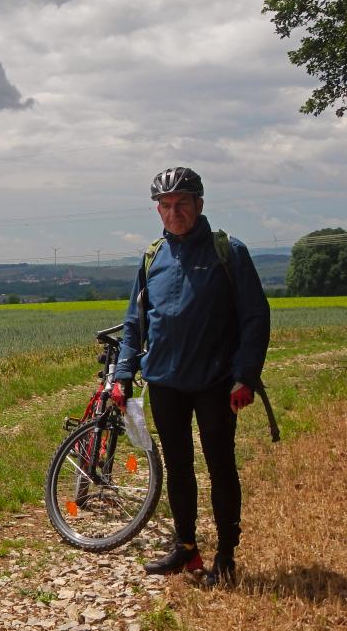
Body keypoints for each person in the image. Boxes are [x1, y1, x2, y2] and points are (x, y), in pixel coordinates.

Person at [112, 167, 270, 586]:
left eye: (181, 203)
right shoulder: (152, 257)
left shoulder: (228, 252)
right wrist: (123, 372)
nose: (173, 212)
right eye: (165, 205)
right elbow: (134, 321)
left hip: (217, 382)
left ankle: (226, 555)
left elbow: (256, 317)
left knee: (221, 465)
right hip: (164, 380)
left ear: (199, 205)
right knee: (178, 467)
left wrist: (246, 376)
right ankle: (185, 548)